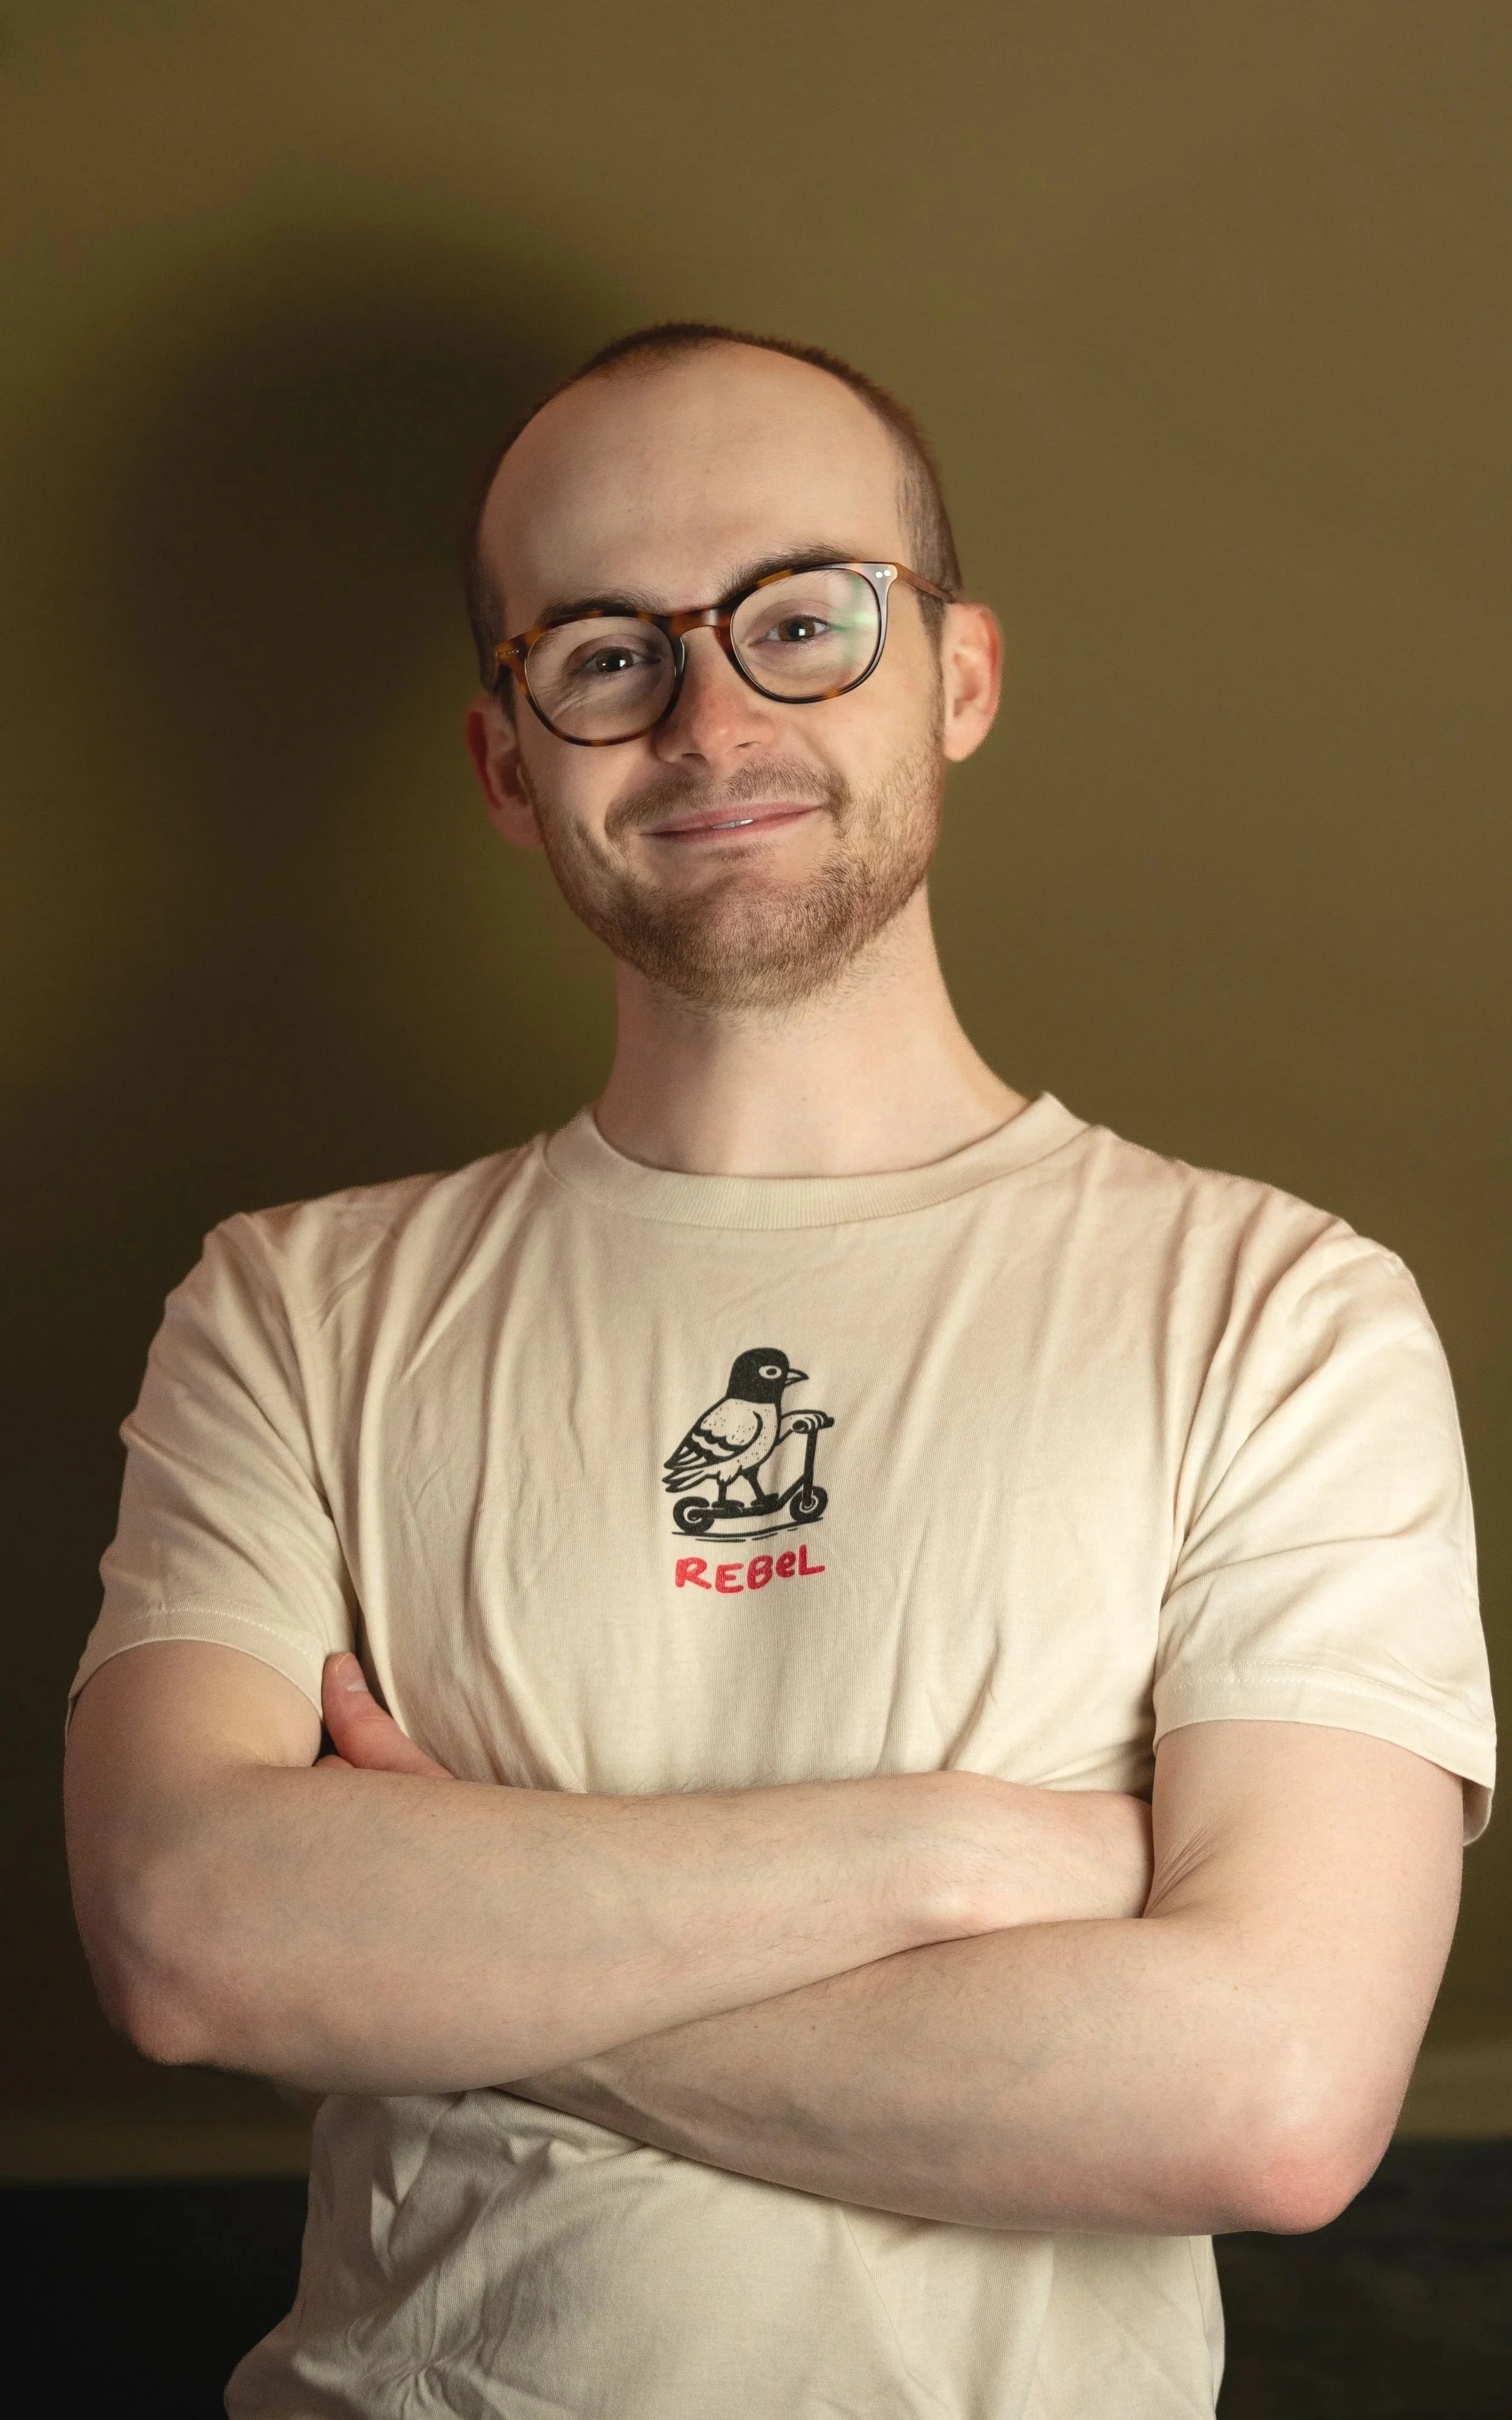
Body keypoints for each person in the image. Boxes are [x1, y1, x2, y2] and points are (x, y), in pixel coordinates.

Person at [64, 322, 1494, 2419]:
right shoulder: (291, 1305)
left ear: (959, 676)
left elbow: (1266, 2098)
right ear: (508, 764)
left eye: (802, 620)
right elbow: (189, 1935)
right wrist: (951, 1858)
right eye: (605, 654)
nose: (711, 717)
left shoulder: (1279, 1313)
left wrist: (453, 1957)